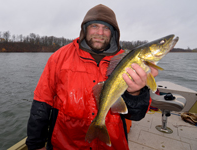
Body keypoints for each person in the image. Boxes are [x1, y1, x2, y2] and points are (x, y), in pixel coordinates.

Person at [26, 4, 158, 150]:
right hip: (65, 145)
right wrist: (35, 145)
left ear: (113, 33)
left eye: (106, 28)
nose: (100, 32)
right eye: (94, 26)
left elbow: (136, 115)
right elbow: (41, 103)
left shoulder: (127, 61)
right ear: (85, 28)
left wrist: (135, 93)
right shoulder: (59, 58)